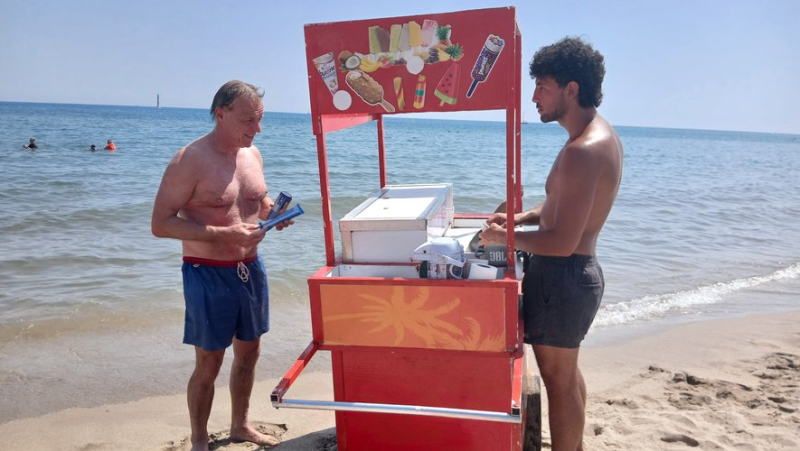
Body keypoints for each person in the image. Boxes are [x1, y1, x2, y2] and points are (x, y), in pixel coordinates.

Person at [480, 37, 623, 451]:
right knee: (567, 377)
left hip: (564, 277)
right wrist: (523, 217)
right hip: (573, 277)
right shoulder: (595, 136)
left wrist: (501, 237)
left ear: (571, 89)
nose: (534, 97)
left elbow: (562, 242)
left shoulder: (583, 150)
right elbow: (563, 204)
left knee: (558, 384)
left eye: (542, 86)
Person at [151, 80, 292, 450]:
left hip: (250, 268)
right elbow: (161, 223)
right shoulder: (190, 159)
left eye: (260, 119)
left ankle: (240, 426)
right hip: (206, 271)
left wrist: (274, 215)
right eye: (248, 119)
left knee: (249, 352)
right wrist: (224, 233)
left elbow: (257, 201)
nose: (256, 128)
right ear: (221, 113)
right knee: (209, 362)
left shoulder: (253, 155)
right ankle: (198, 440)